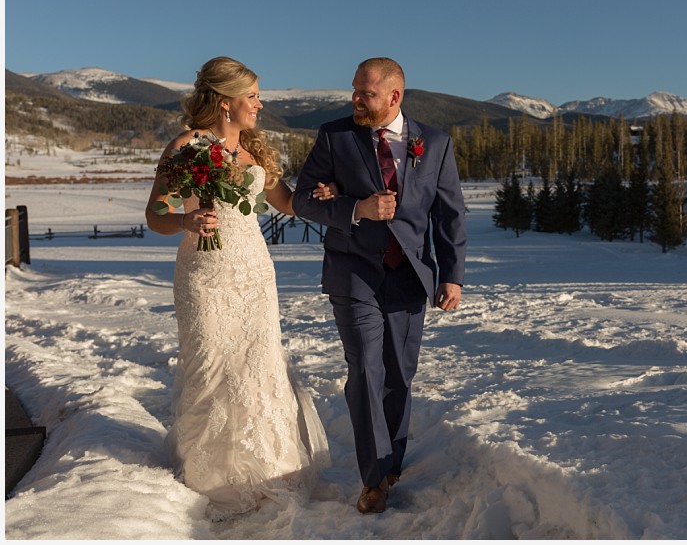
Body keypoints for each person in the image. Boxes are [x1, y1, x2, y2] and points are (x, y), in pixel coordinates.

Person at [145, 56, 335, 521]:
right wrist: (186, 219)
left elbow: (287, 203)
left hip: (252, 271)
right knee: (212, 365)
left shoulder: (254, 149)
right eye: (252, 96)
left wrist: (321, 196)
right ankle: (211, 475)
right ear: (225, 101)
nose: (260, 104)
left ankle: (272, 467)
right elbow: (155, 215)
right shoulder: (187, 146)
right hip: (204, 274)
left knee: (258, 365)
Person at [293, 57, 467, 514]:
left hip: (410, 276)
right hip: (353, 273)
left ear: (394, 97)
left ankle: (392, 463)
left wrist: (451, 275)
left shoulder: (435, 142)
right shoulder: (335, 136)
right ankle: (373, 480)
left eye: (365, 93)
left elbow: (449, 214)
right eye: (353, 89)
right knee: (366, 369)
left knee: (399, 375)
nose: (355, 99)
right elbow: (303, 200)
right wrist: (356, 209)